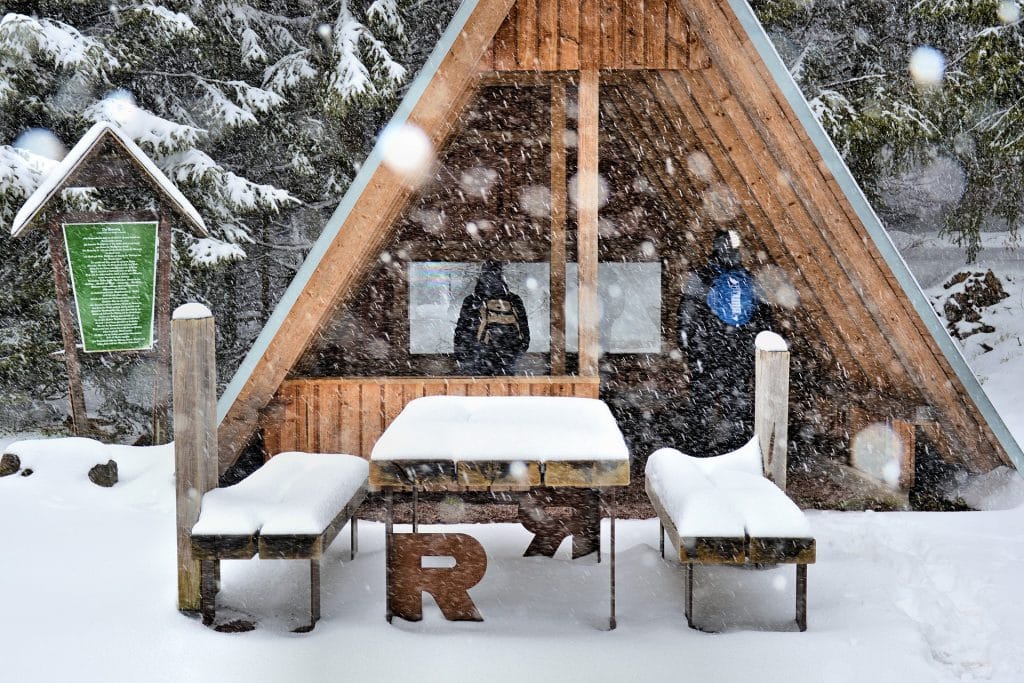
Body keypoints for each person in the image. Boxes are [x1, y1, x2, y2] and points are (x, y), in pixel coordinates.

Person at [677, 229, 773, 454]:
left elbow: (685, 318)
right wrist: (753, 354)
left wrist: (692, 353)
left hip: (708, 354)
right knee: (737, 406)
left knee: (701, 404)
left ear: (715, 249)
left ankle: (696, 451)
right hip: (740, 354)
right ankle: (738, 453)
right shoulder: (749, 281)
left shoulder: (701, 278)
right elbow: (766, 323)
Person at [454, 262, 530, 375]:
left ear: (481, 275)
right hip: (506, 363)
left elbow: (460, 333)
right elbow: (525, 337)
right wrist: (512, 355)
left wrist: (465, 359)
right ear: (501, 275)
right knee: (505, 390)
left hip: (477, 362)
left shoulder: (472, 301)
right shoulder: (514, 300)